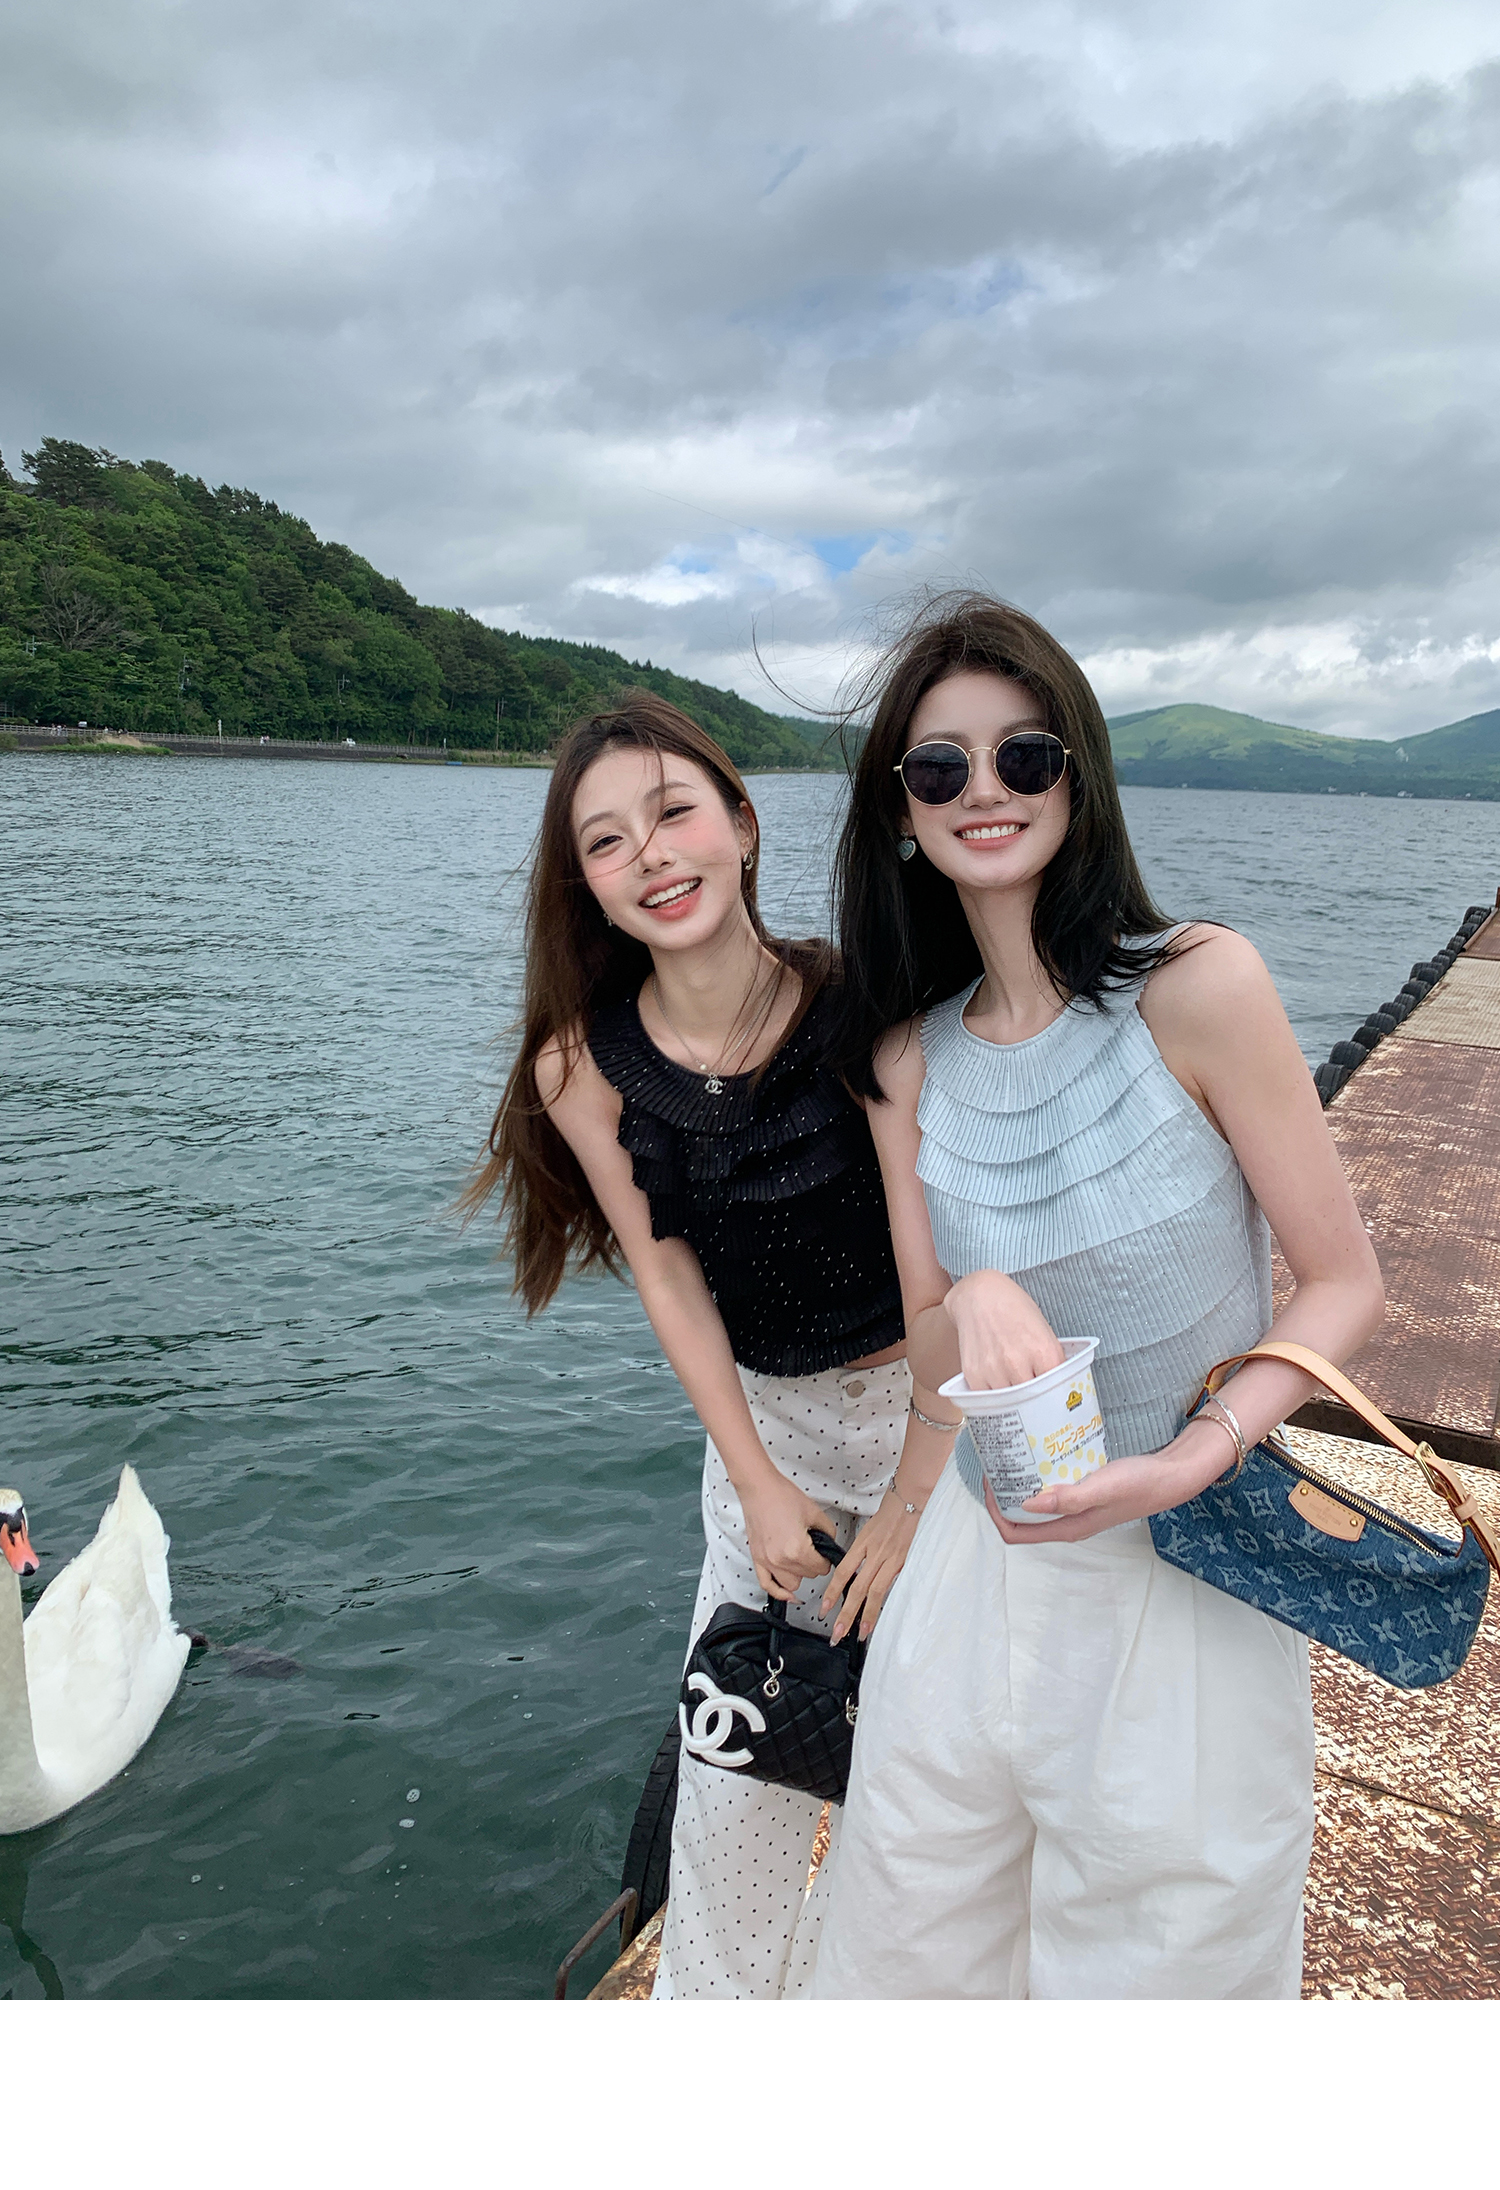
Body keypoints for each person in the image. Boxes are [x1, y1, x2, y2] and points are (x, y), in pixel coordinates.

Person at [809, 594, 1384, 1999]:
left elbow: (1343, 1281)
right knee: (912, 1960)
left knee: (1166, 1976)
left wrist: (1197, 1453)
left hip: (1185, 1573)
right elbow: (933, 1343)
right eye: (939, 766)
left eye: (1024, 755)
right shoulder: (906, 1057)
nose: (984, 789)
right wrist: (977, 1290)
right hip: (975, 1575)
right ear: (900, 811)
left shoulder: (1200, 986)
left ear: (1078, 777)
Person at [464, 693, 958, 1998]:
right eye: (607, 841)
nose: (652, 854)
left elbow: (940, 1274)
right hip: (767, 1445)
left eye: (674, 811)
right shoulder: (582, 1066)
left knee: (915, 1811)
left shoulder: (866, 1006)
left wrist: (917, 1494)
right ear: (584, 884)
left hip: (933, 1437)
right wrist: (756, 1484)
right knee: (734, 1803)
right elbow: (670, 1277)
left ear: (740, 824)